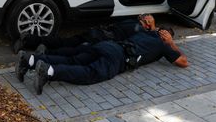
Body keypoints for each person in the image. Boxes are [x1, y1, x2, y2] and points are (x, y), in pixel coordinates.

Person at [16, 27, 188, 94]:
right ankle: (49, 71)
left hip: (108, 45)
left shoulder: (143, 33)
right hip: (118, 57)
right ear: (166, 37)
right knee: (91, 73)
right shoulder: (162, 45)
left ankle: (30, 59)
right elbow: (183, 62)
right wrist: (171, 44)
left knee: (74, 59)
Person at [12, 14, 157, 53]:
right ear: (147, 24)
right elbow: (150, 36)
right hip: (99, 38)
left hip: (96, 32)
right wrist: (153, 27)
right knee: (72, 49)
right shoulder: (138, 30)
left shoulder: (130, 21)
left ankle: (30, 40)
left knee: (66, 42)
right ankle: (40, 48)